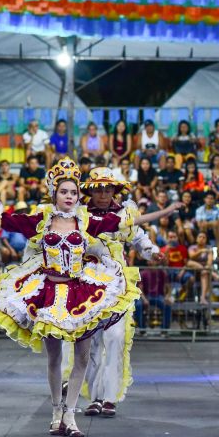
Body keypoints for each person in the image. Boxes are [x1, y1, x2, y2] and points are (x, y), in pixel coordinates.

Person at [0, 159, 164, 437]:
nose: (70, 197)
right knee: (54, 359)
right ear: (55, 194)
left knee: (86, 356)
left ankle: (72, 416)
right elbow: (8, 220)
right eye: (65, 192)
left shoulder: (86, 221)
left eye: (73, 192)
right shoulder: (42, 220)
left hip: (81, 294)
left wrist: (161, 215)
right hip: (50, 293)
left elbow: (125, 222)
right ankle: (56, 412)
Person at [77, 168, 176, 419]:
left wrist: (152, 251)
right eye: (98, 189)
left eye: (108, 189)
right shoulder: (79, 215)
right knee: (89, 342)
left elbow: (139, 237)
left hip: (117, 284)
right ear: (90, 190)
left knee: (116, 338)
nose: (103, 193)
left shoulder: (124, 213)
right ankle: (95, 396)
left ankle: (109, 397)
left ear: (115, 191)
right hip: (86, 285)